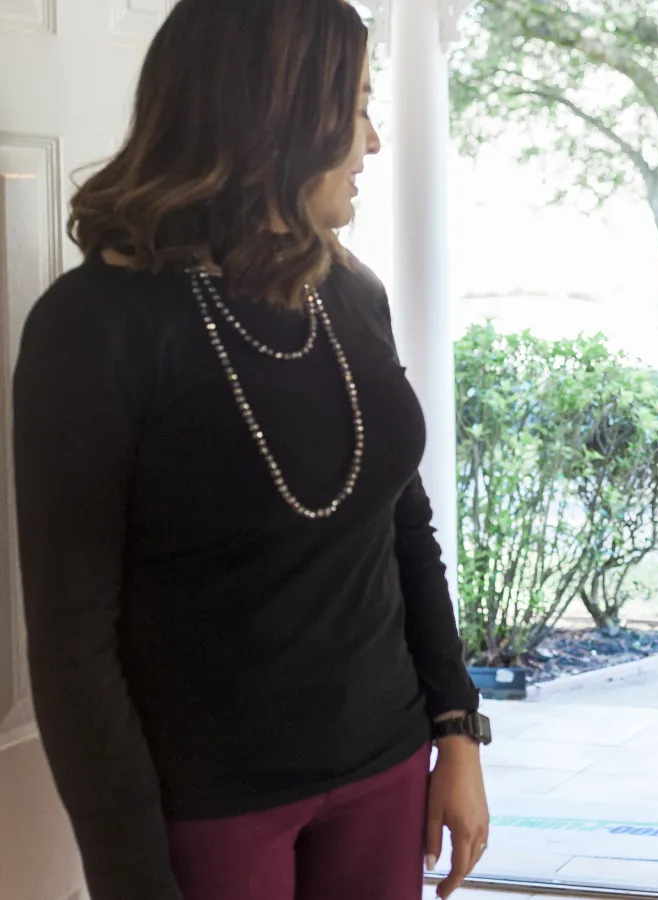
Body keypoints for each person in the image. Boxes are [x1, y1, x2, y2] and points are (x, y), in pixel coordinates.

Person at [12, 2, 491, 898]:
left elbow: (406, 529)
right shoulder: (91, 329)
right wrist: (130, 874)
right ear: (276, 115)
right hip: (211, 803)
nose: (373, 141)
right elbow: (72, 640)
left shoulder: (352, 295)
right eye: (355, 105)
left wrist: (456, 729)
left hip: (386, 765)